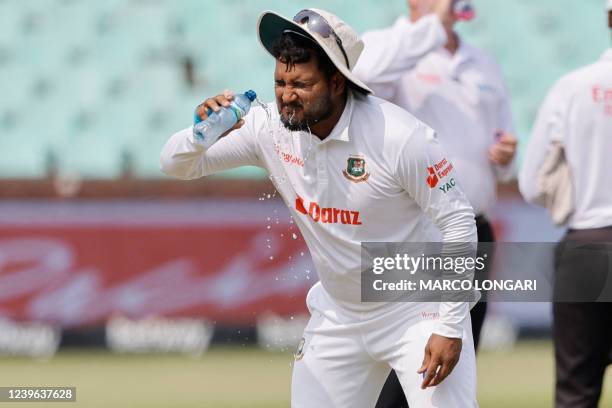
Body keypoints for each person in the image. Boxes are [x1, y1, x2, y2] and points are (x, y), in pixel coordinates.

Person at [161, 5, 479, 407]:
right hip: (339, 314)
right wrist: (201, 133)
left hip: (416, 310)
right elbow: (174, 164)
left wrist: (449, 325)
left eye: (302, 84)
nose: (286, 96)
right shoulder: (268, 128)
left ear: (337, 82)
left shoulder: (399, 136)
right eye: (279, 82)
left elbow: (458, 222)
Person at [353, 2, 518, 405]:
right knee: (403, 365)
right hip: (412, 235)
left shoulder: (482, 62)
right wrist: (430, 28)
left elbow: (507, 155)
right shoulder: (386, 46)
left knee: (452, 366)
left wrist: (506, 157)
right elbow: (362, 80)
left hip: (473, 229)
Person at [519, 2, 612, 407]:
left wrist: (569, 199)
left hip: (588, 244)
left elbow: (530, 183)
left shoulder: (573, 86)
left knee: (577, 388)